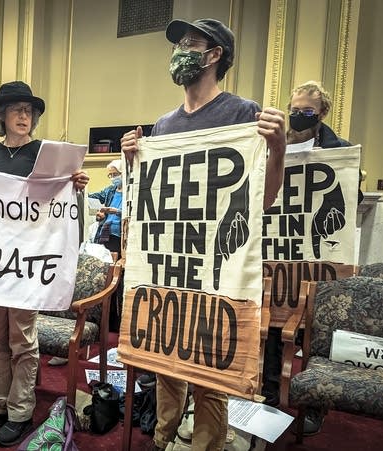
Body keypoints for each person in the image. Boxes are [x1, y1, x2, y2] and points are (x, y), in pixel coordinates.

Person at [121, 18, 286, 451]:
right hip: (171, 262)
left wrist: (280, 147)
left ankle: (207, 445)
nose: (179, 51)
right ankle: (163, 439)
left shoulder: (242, 112)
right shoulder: (164, 124)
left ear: (214, 55)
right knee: (165, 360)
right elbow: (153, 199)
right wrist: (135, 160)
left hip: (216, 265)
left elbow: (263, 199)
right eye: (177, 44)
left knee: (211, 370)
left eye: (189, 44)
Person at [0, 81, 89, 447]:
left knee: (23, 340)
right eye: (16, 110)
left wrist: (75, 186)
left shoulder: (45, 152)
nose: (24, 116)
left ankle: (19, 411)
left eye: (29, 111)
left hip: (29, 261)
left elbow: (60, 200)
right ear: (1, 117)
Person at [261, 80, 358, 434]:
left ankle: (313, 406)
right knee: (274, 324)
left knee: (315, 331)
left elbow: (349, 197)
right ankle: (271, 393)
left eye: (307, 112)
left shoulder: (339, 149)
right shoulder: (274, 144)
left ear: (322, 113)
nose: (298, 116)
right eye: (295, 109)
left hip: (315, 255)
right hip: (278, 255)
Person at [88, 159, 123, 255]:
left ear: (123, 173)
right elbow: (95, 196)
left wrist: (116, 211)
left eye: (115, 174)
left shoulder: (130, 191)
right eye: (110, 175)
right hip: (106, 232)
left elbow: (132, 213)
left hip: (120, 234)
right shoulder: (110, 190)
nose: (112, 178)